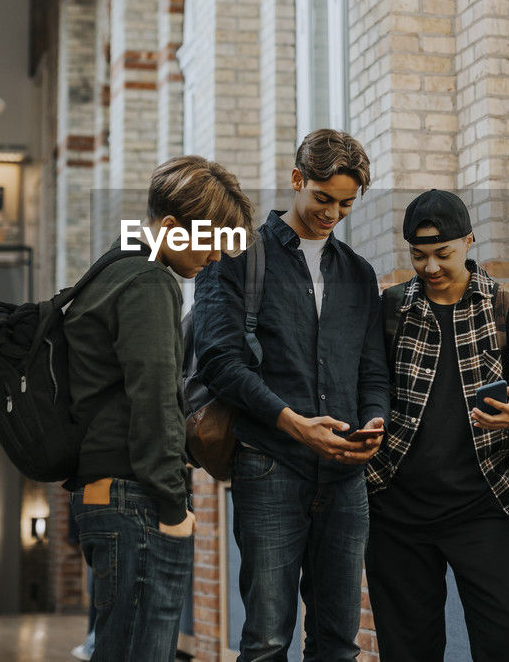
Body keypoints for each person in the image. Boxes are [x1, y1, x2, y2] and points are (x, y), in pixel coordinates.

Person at [193, 129, 390, 661]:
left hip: (346, 477)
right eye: (323, 198)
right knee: (266, 640)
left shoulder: (358, 273)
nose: (333, 214)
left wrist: (375, 422)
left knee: (339, 643)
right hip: (270, 466)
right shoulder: (237, 257)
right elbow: (218, 362)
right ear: (297, 179)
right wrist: (292, 423)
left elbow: (373, 371)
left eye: (347, 204)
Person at [365, 189, 509, 662]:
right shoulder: (392, 310)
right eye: (419, 256)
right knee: (408, 652)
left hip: (484, 507)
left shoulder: (504, 309)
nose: (431, 267)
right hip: (396, 514)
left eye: (444, 254)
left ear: (469, 241)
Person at [65, 155, 254, 662]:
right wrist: (175, 510)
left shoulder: (113, 266)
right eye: (210, 243)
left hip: (107, 494)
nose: (215, 258)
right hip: (137, 501)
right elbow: (153, 401)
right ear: (170, 227)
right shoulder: (150, 283)